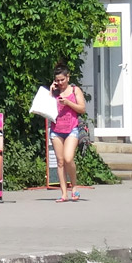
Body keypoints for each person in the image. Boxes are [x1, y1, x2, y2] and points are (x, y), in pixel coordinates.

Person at [50, 65, 86, 202]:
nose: (60, 83)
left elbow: (82, 109)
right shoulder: (54, 92)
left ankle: (74, 187)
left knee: (68, 158)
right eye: (57, 80)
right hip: (56, 130)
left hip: (72, 128)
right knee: (60, 162)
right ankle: (64, 193)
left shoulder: (75, 90)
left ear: (68, 77)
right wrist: (50, 92)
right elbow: (45, 108)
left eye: (62, 80)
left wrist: (68, 102)